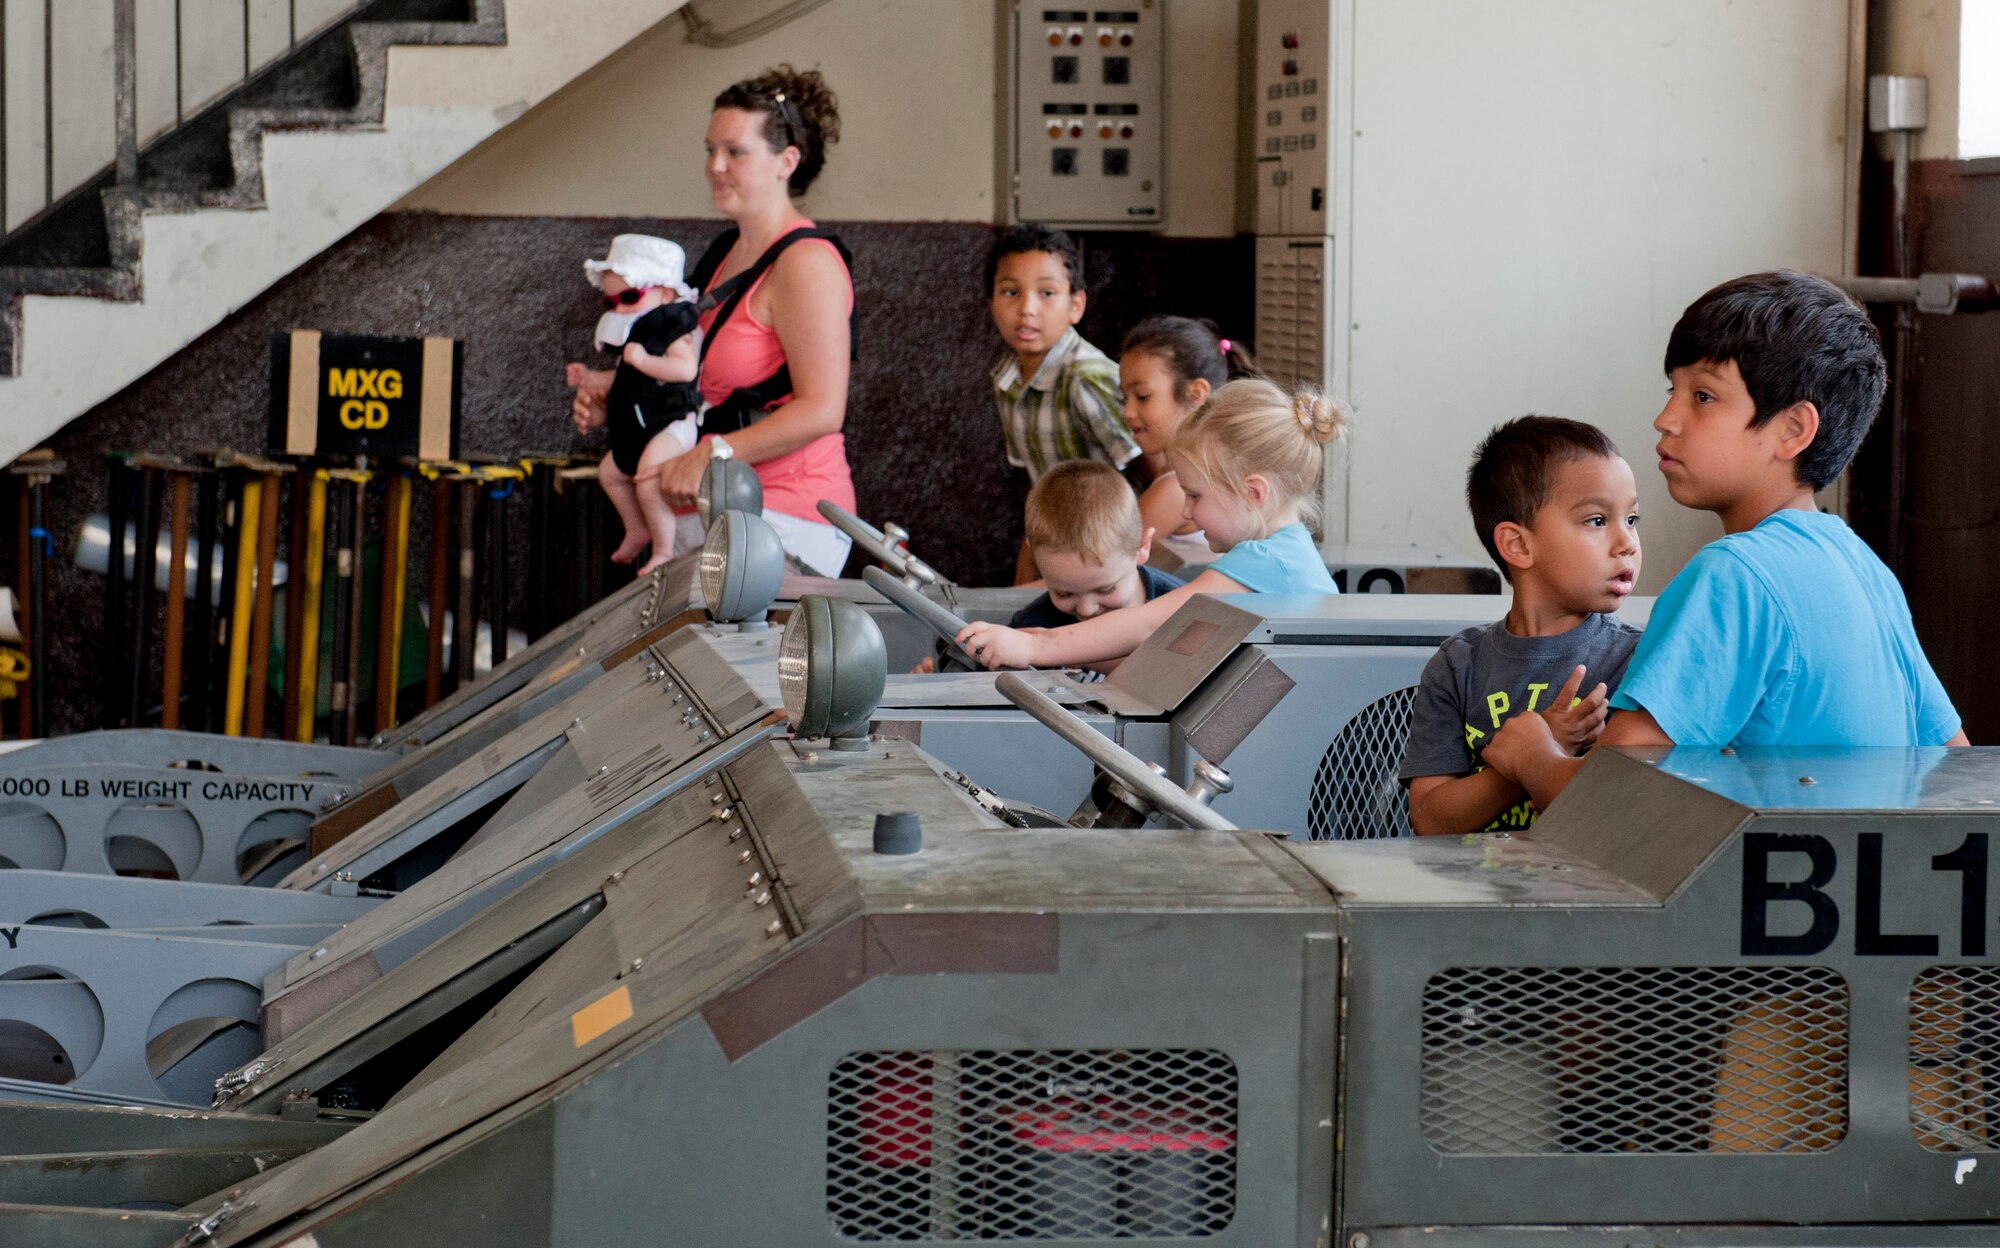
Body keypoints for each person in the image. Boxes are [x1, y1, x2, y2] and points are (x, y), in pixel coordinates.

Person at [1482, 270, 1968, 812]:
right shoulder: (1864, 566)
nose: (1666, 418)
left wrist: (1531, 757)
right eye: (1674, 390)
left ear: (1791, 430)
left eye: (1704, 396)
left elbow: (1609, 804)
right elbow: (1954, 763)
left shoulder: (1735, 574)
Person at [569, 66, 857, 577]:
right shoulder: (725, 252)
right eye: (710, 150)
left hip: (787, 513)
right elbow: (690, 372)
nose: (715, 166)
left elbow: (822, 410)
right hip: (715, 507)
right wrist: (617, 396)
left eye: (735, 152)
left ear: (786, 162)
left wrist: (714, 453)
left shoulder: (806, 263)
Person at [957, 378, 1342, 670]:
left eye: (1195, 495)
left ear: (1253, 493)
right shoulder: (1284, 555)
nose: (1187, 512)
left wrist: (1037, 648)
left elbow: (1148, 627)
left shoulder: (1264, 561)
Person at [1400, 417, 1643, 836]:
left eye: (1632, 519)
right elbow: (1431, 819)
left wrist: (1534, 756)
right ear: (1518, 545)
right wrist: (1540, 750)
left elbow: (1620, 815)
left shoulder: (1638, 661)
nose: (1627, 543)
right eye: (1597, 521)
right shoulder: (1458, 665)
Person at [987, 223, 1139, 582]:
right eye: (1010, 292)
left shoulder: (1086, 378)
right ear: (991, 302)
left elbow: (1144, 472)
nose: (1027, 309)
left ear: (1076, 305)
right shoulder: (1006, 379)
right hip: (1059, 544)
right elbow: (1038, 488)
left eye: (1047, 293)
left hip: (1114, 553)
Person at [567, 235, 703, 573]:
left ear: (666, 294)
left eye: (629, 297)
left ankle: (664, 548)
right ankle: (637, 527)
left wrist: (642, 360)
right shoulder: (635, 337)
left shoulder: (674, 330)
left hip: (672, 423)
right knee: (610, 473)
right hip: (643, 424)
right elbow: (624, 380)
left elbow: (684, 369)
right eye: (610, 302)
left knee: (647, 479)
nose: (619, 309)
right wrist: (590, 379)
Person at [1119, 316, 1259, 570]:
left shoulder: (1177, 489)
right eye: (1124, 397)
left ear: (1195, 394)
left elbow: (1105, 564)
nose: (1127, 411)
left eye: (1142, 396)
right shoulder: (1174, 473)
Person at [1009, 460, 1184, 629]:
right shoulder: (1031, 629)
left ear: (1141, 547)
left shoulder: (1184, 610)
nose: (1086, 610)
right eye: (1063, 594)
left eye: (1105, 590)